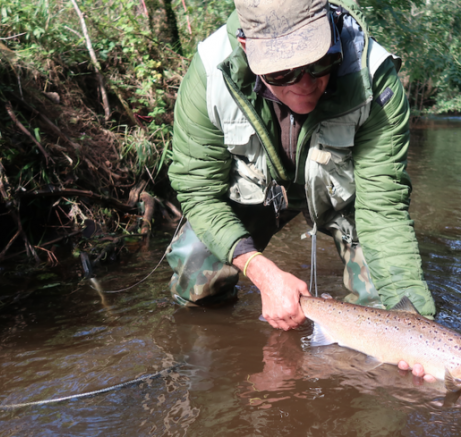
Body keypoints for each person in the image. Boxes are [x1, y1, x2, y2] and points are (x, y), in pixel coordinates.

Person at [167, 0, 436, 380]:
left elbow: (384, 210)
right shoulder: (212, 73)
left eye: (320, 63)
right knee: (196, 267)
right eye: (283, 74)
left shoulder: (373, 75)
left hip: (344, 197)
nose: (305, 85)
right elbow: (198, 192)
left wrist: (419, 329)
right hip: (255, 192)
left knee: (387, 307)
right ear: (247, 49)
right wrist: (260, 271)